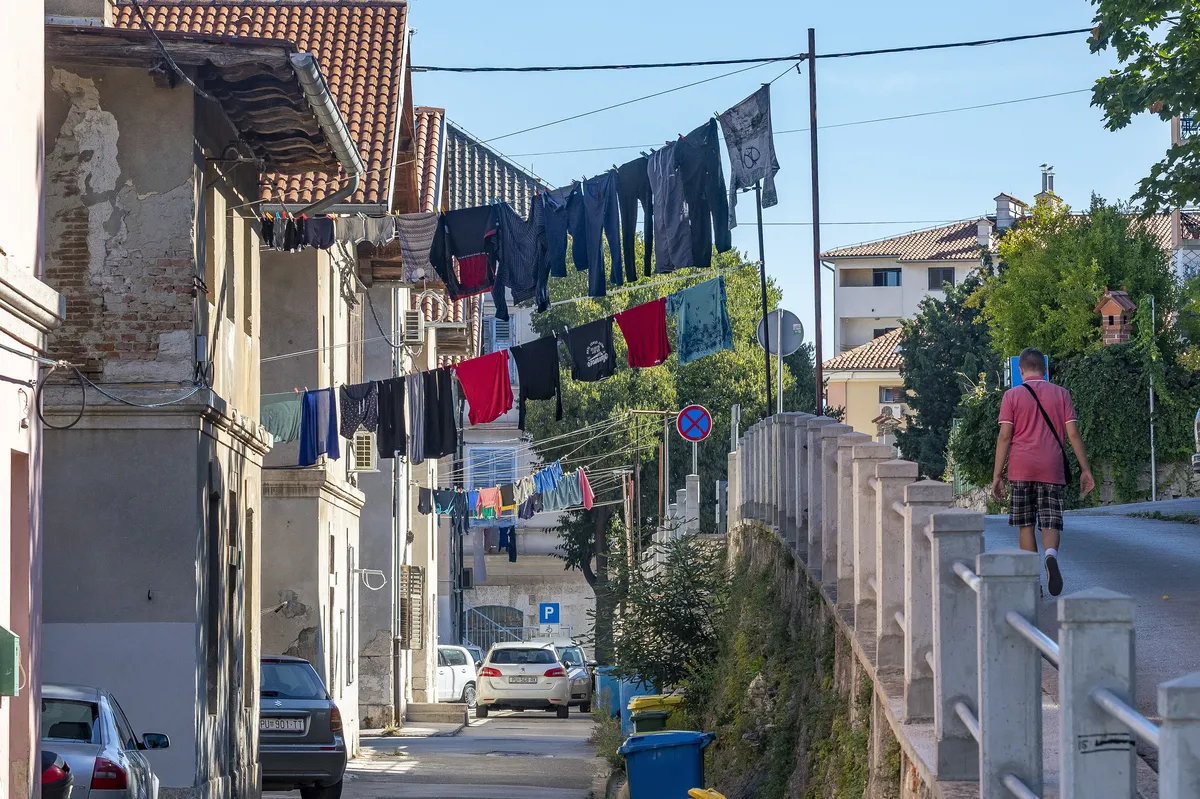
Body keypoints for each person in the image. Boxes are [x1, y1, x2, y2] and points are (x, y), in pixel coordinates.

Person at [991, 347, 1095, 596]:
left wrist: (997, 475)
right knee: (1050, 522)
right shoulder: (1062, 394)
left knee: (1025, 525)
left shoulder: (1011, 396)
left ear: (1021, 369)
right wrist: (1085, 469)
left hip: (1021, 469)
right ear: (1045, 370)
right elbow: (1072, 434)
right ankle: (1050, 556)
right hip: (1052, 466)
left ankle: (1032, 583)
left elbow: (1005, 437)